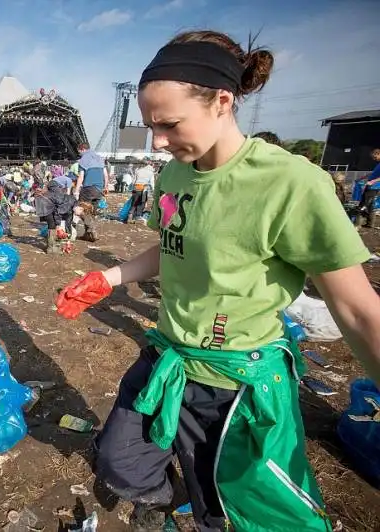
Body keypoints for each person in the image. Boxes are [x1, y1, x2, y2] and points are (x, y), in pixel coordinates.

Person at [56, 30, 380, 532]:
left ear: (223, 101)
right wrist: (109, 276)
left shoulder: (289, 183)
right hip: (167, 356)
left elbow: (358, 309)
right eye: (150, 127)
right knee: (120, 460)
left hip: (233, 382)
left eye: (168, 124)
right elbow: (169, 249)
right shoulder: (175, 176)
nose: (159, 142)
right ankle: (164, 493)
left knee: (223, 507)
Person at [357, 148, 380, 228]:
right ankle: (370, 224)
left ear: (378, 154)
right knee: (370, 205)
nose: (374, 159)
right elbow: (374, 173)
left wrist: (373, 181)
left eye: (375, 157)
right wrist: (364, 177)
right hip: (370, 186)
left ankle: (358, 223)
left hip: (374, 187)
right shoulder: (378, 164)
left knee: (364, 204)